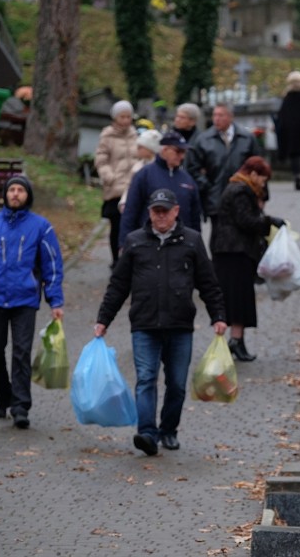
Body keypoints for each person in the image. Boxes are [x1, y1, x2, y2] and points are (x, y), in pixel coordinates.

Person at [95, 188, 227, 456]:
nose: (161, 216)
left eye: (165, 211)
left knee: (177, 384)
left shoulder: (191, 241)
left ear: (176, 211)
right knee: (145, 379)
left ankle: (168, 430)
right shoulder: (134, 242)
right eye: (156, 211)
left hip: (180, 326)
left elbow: (208, 283)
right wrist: (103, 320)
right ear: (149, 213)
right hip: (144, 324)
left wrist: (219, 316)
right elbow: (118, 285)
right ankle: (147, 433)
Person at [0, 174, 65, 429]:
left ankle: (21, 405)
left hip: (25, 299)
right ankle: (4, 397)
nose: (15, 194)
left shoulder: (41, 227)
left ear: (27, 196)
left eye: (20, 190)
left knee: (21, 353)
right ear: (5, 194)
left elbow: (52, 265)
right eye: (11, 190)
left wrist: (55, 300)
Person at [211, 157, 285, 362]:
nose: (264, 183)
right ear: (253, 174)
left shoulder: (239, 187)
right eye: (263, 178)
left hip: (235, 252)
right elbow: (246, 221)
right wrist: (270, 222)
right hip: (234, 252)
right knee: (236, 298)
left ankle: (237, 340)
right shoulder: (240, 190)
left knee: (239, 298)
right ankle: (235, 341)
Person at [187, 102, 263, 241]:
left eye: (221, 115)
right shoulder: (204, 140)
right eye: (214, 115)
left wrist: (261, 196)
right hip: (216, 196)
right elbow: (193, 167)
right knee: (217, 236)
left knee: (243, 235)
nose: (216, 118)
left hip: (243, 197)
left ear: (230, 117)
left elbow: (259, 167)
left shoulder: (246, 138)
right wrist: (206, 186)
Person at [119, 130, 201, 249]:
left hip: (181, 245)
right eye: (178, 151)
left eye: (184, 152)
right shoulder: (144, 174)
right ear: (164, 149)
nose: (182, 156)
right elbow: (130, 211)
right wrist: (124, 244)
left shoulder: (187, 179)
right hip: (148, 244)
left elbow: (195, 216)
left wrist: (197, 245)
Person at [95, 99, 138, 268]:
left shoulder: (135, 135)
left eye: (129, 116)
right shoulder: (107, 136)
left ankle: (131, 259)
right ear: (115, 117)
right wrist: (109, 177)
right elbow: (101, 159)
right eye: (122, 116)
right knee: (117, 227)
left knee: (134, 226)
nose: (126, 120)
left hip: (133, 186)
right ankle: (116, 261)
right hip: (115, 188)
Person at [118, 129, 162, 213]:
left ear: (151, 149)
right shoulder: (137, 166)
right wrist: (123, 202)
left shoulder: (159, 168)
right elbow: (129, 186)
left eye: (141, 147)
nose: (137, 149)